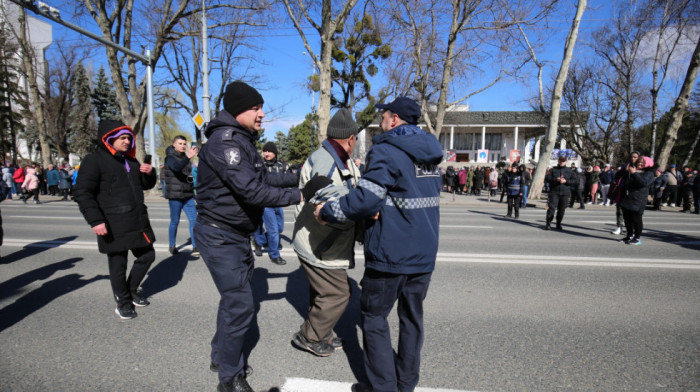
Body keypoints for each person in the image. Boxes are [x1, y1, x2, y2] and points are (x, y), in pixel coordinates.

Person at [315, 97, 442, 392]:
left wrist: (328, 211)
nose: (382, 120)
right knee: (412, 319)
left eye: (384, 115)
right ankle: (406, 383)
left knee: (373, 318)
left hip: (391, 252)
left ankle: (384, 388)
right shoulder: (431, 152)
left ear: (394, 119)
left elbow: (367, 199)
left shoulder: (387, 150)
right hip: (424, 252)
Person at [192, 81, 312, 392]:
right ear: (237, 110)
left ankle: (221, 356)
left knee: (234, 301)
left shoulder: (242, 140)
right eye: (255, 108)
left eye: (261, 108)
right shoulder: (225, 143)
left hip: (234, 234)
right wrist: (300, 195)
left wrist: (300, 176)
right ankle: (229, 378)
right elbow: (252, 190)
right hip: (220, 235)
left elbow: (264, 176)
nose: (261, 114)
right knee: (241, 304)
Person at [291, 107, 361, 357]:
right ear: (350, 138)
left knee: (323, 292)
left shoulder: (339, 157)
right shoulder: (327, 162)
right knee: (338, 293)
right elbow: (329, 205)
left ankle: (324, 330)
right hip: (319, 244)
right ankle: (310, 336)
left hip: (323, 242)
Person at [73, 120, 157, 320]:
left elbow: (143, 185)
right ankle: (123, 302)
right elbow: (82, 193)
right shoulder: (94, 160)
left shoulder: (130, 161)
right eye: (122, 138)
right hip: (112, 222)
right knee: (118, 265)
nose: (127, 141)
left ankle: (131, 290)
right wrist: (95, 220)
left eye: (129, 138)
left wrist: (149, 174)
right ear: (109, 139)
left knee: (147, 256)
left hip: (137, 221)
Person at [252, 141, 293, 265]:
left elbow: (288, 180)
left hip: (278, 201)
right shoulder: (259, 166)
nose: (266, 153)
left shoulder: (282, 166)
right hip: (265, 202)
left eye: (269, 151)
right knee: (273, 230)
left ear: (275, 153)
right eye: (265, 151)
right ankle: (274, 254)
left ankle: (258, 240)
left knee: (279, 228)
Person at [163, 135, 199, 256]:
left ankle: (195, 246)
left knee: (194, 220)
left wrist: (194, 192)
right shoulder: (170, 158)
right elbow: (177, 168)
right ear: (174, 144)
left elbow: (187, 176)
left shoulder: (184, 157)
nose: (183, 146)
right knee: (175, 221)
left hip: (187, 195)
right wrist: (188, 157)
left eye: (184, 144)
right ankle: (172, 245)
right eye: (180, 143)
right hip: (175, 195)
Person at [619, 156, 655, 245]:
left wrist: (634, 173)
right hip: (628, 197)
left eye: (643, 162)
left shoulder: (649, 173)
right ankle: (629, 235)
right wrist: (625, 171)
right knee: (627, 219)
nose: (640, 163)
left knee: (636, 219)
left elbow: (643, 183)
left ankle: (637, 237)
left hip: (638, 199)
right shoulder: (632, 170)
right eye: (639, 161)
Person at [610, 152, 640, 235]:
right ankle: (619, 227)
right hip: (622, 190)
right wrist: (624, 170)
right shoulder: (625, 166)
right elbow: (617, 176)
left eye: (635, 157)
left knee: (631, 212)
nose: (633, 158)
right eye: (632, 157)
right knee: (619, 210)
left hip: (634, 192)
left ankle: (631, 228)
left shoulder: (640, 167)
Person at [544, 156, 576, 230]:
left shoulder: (570, 171)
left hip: (565, 192)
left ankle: (558, 223)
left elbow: (575, 181)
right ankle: (548, 223)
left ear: (566, 162)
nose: (561, 162)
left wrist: (566, 181)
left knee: (562, 209)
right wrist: (556, 179)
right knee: (551, 208)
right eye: (560, 161)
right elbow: (547, 178)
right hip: (554, 192)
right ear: (558, 161)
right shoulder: (553, 170)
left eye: (563, 161)